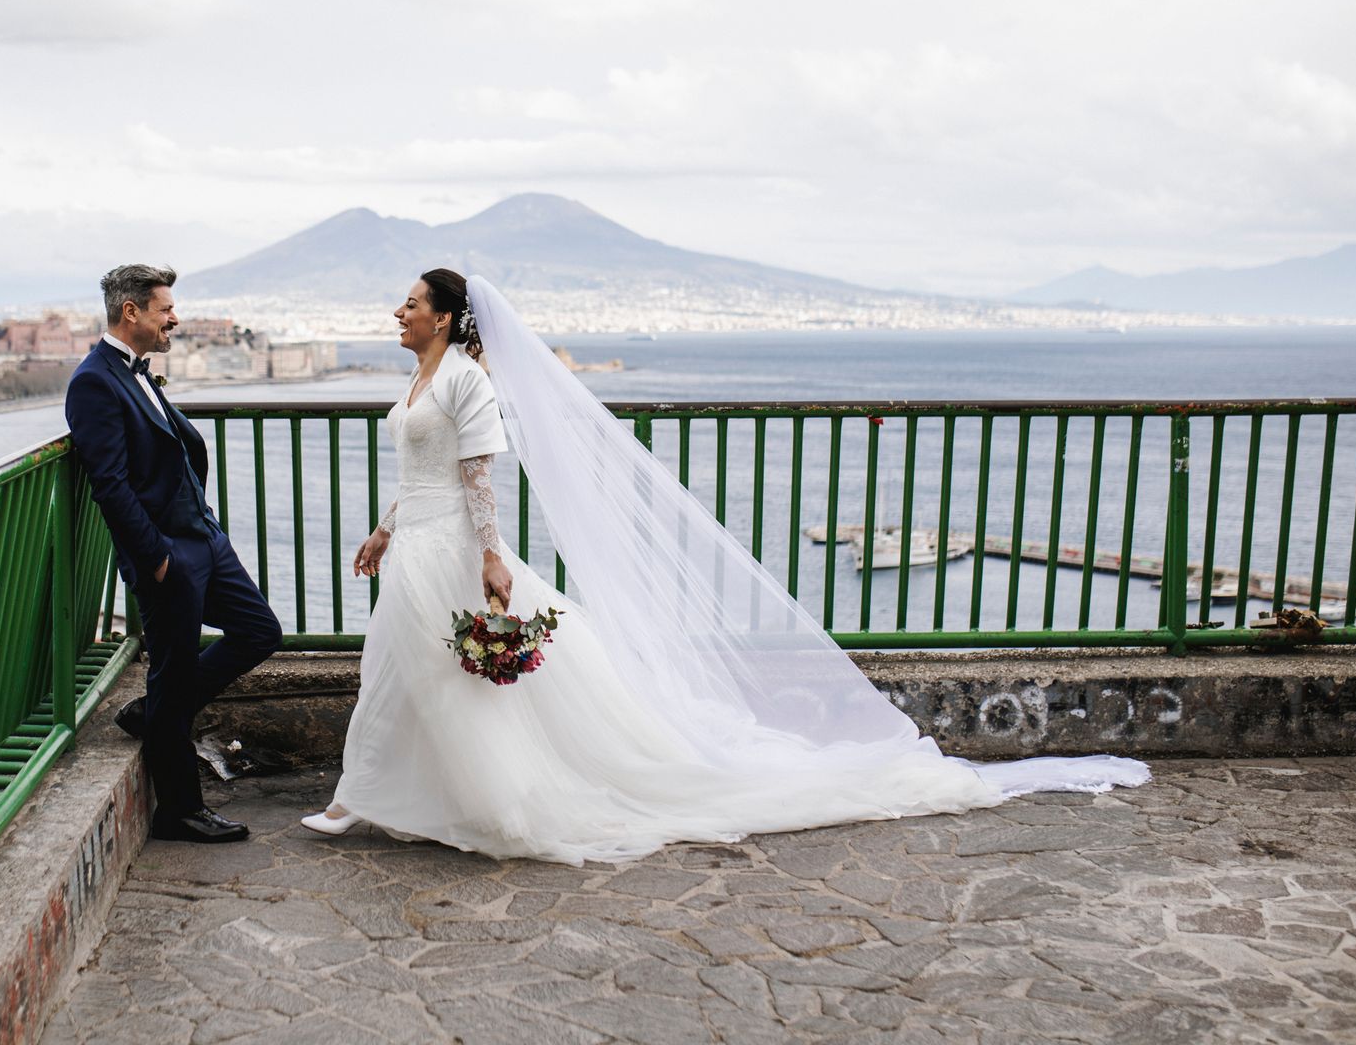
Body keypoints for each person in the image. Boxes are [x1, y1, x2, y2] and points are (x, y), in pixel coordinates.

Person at [301, 269, 1148, 863]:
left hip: (454, 548)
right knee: (405, 670)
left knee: (428, 674)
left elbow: (477, 476)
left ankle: (384, 797)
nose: (399, 312)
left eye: (411, 303)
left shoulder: (466, 383)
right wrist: (382, 530)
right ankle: (388, 793)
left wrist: (492, 556)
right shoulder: (420, 381)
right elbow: (421, 473)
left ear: (446, 317)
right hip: (417, 544)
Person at [68, 264, 281, 844]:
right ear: (131, 311)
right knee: (173, 669)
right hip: (168, 553)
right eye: (165, 309)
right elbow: (110, 484)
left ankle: (155, 711)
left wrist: (204, 526)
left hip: (204, 538)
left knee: (260, 631)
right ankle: (180, 810)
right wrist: (157, 558)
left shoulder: (138, 372)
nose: (175, 319)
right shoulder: (93, 382)